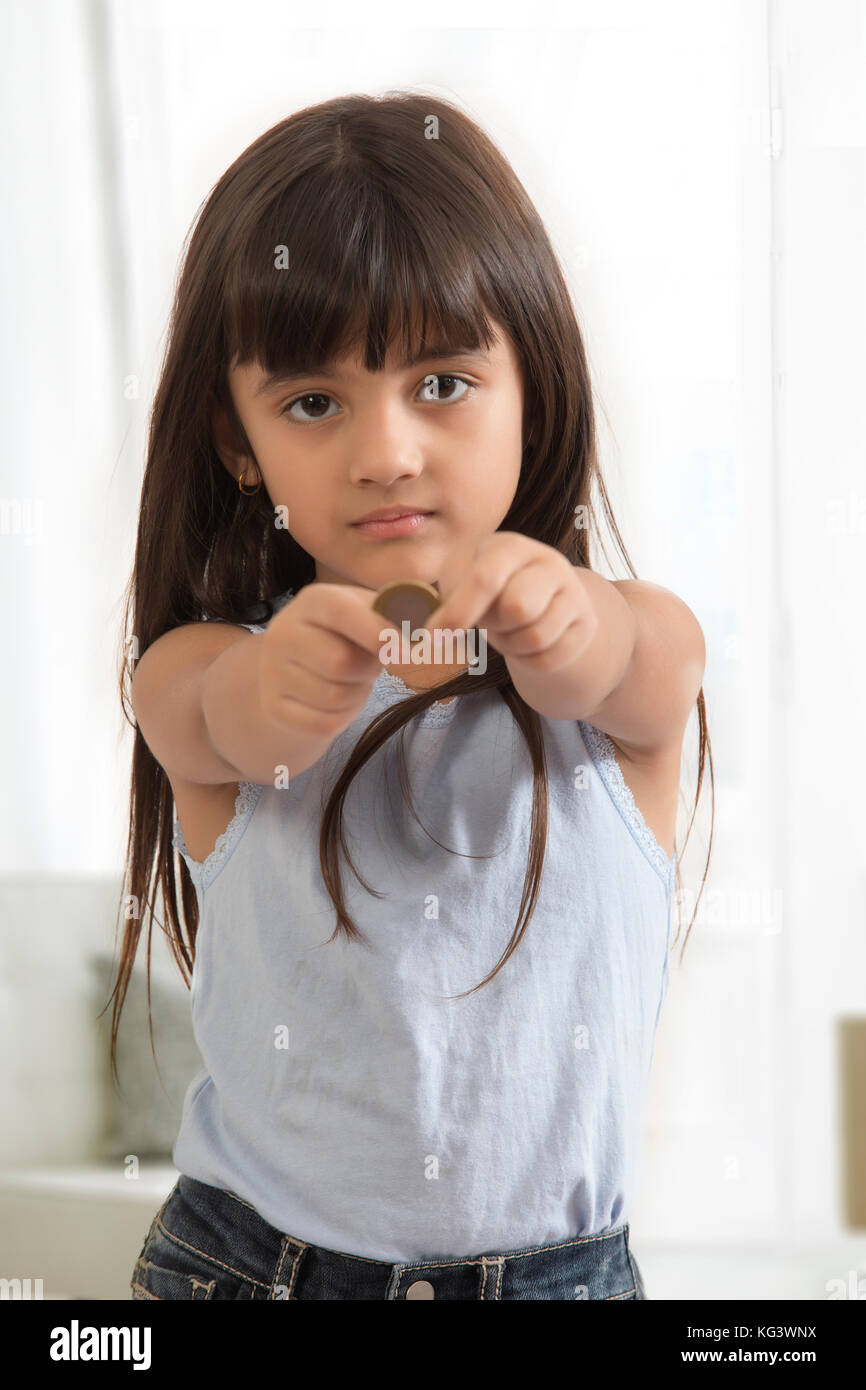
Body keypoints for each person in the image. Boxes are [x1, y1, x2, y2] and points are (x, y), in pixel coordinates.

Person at [114, 90, 713, 1300]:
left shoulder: (621, 659)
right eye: (313, 402)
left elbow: (632, 663)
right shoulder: (205, 667)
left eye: (441, 384)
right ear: (239, 444)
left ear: (527, 380)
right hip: (246, 1272)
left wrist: (565, 625)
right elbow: (199, 709)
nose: (385, 449)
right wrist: (265, 690)